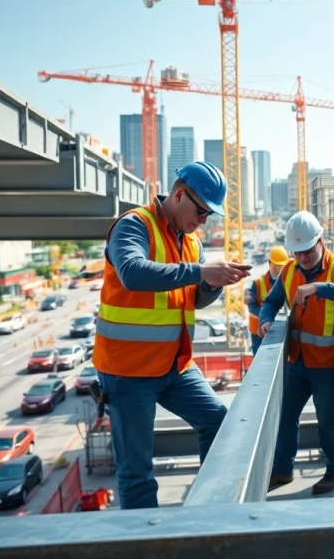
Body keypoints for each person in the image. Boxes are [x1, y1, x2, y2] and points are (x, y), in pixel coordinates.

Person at [92, 161, 252, 510]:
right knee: (137, 473)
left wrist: (212, 283)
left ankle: (210, 510)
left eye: (209, 214)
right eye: (201, 210)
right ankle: (146, 543)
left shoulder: (190, 242)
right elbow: (133, 273)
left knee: (218, 422)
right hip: (128, 371)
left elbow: (193, 296)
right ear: (179, 195)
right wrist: (200, 271)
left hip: (174, 366)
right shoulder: (134, 226)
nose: (204, 220)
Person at [258, 211, 334, 496]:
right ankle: (282, 470)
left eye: (307, 251)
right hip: (298, 360)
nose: (302, 258)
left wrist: (318, 288)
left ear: (321, 241)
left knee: (328, 418)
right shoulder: (289, 271)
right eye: (297, 253)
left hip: (327, 364)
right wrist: (265, 320)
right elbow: (270, 302)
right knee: (285, 416)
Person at [246, 246, 291, 355]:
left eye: (282, 266)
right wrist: (267, 316)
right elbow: (252, 307)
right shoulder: (258, 283)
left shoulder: (287, 281)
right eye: (277, 266)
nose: (280, 269)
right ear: (270, 264)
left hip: (278, 329)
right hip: (258, 332)